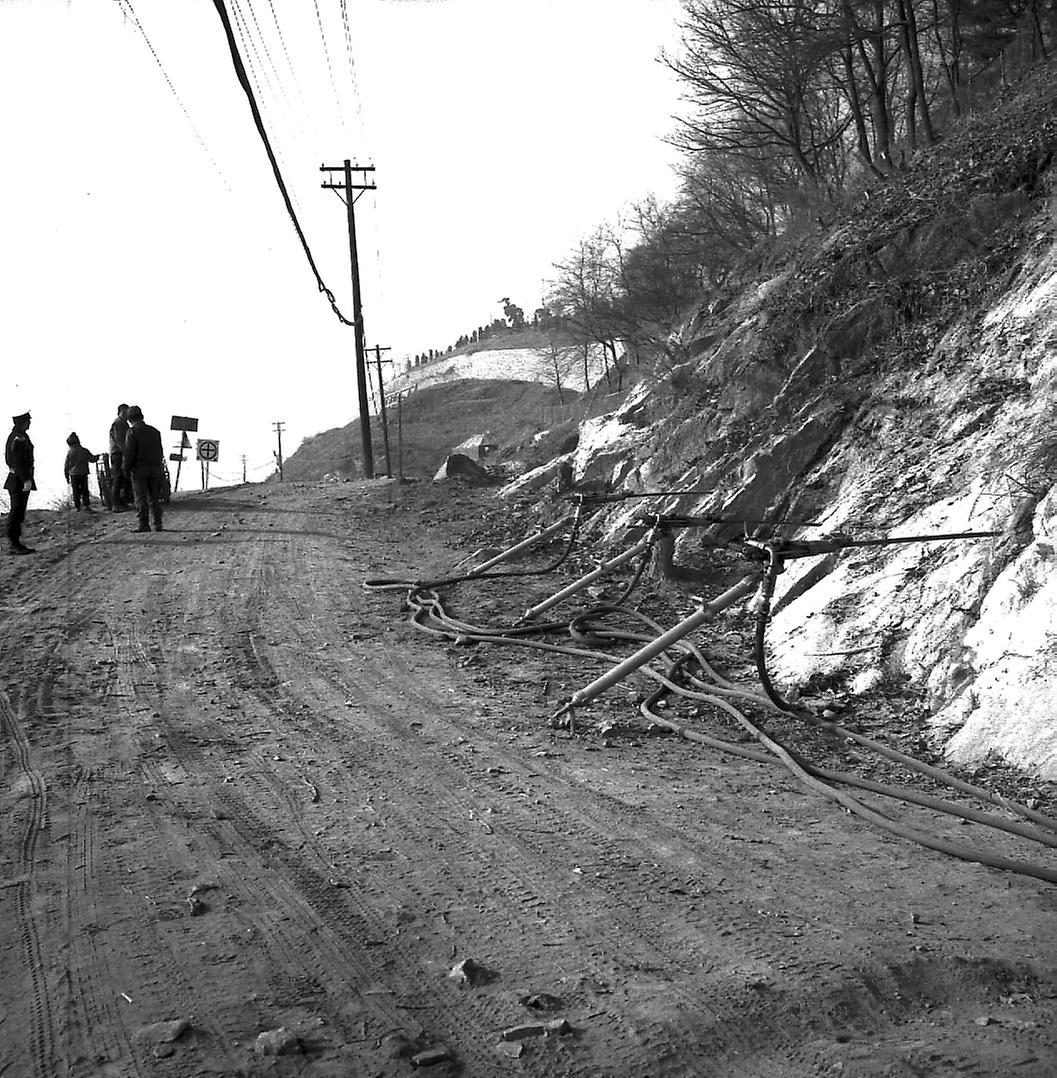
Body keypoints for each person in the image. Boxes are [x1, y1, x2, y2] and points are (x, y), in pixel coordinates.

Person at [123, 405, 166, 533]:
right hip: (155, 468)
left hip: (139, 469)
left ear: (130, 419)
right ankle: (158, 524)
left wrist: (126, 468)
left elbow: (129, 453)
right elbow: (160, 451)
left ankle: (144, 525)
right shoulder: (155, 431)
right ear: (142, 416)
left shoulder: (132, 432)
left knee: (141, 497)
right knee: (155, 496)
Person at [4, 411, 36, 555]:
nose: (29, 422)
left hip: (19, 479)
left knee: (19, 511)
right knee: (16, 510)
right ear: (20, 422)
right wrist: (26, 480)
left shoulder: (21, 436)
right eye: (27, 420)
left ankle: (16, 543)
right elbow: (17, 462)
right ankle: (13, 544)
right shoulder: (18, 437)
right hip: (18, 479)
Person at [64, 433, 100, 512]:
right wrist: (98, 457)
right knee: (85, 490)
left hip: (74, 474)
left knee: (76, 491)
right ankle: (86, 506)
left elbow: (66, 466)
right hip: (83, 473)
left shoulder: (70, 452)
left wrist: (66, 476)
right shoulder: (84, 451)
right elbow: (92, 459)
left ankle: (77, 507)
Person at [108, 403, 132, 509]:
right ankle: (116, 504)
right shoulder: (118, 423)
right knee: (118, 477)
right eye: (125, 412)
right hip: (118, 453)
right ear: (120, 412)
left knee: (123, 477)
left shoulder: (123, 423)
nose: (127, 414)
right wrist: (127, 453)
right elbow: (120, 441)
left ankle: (122, 501)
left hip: (120, 452)